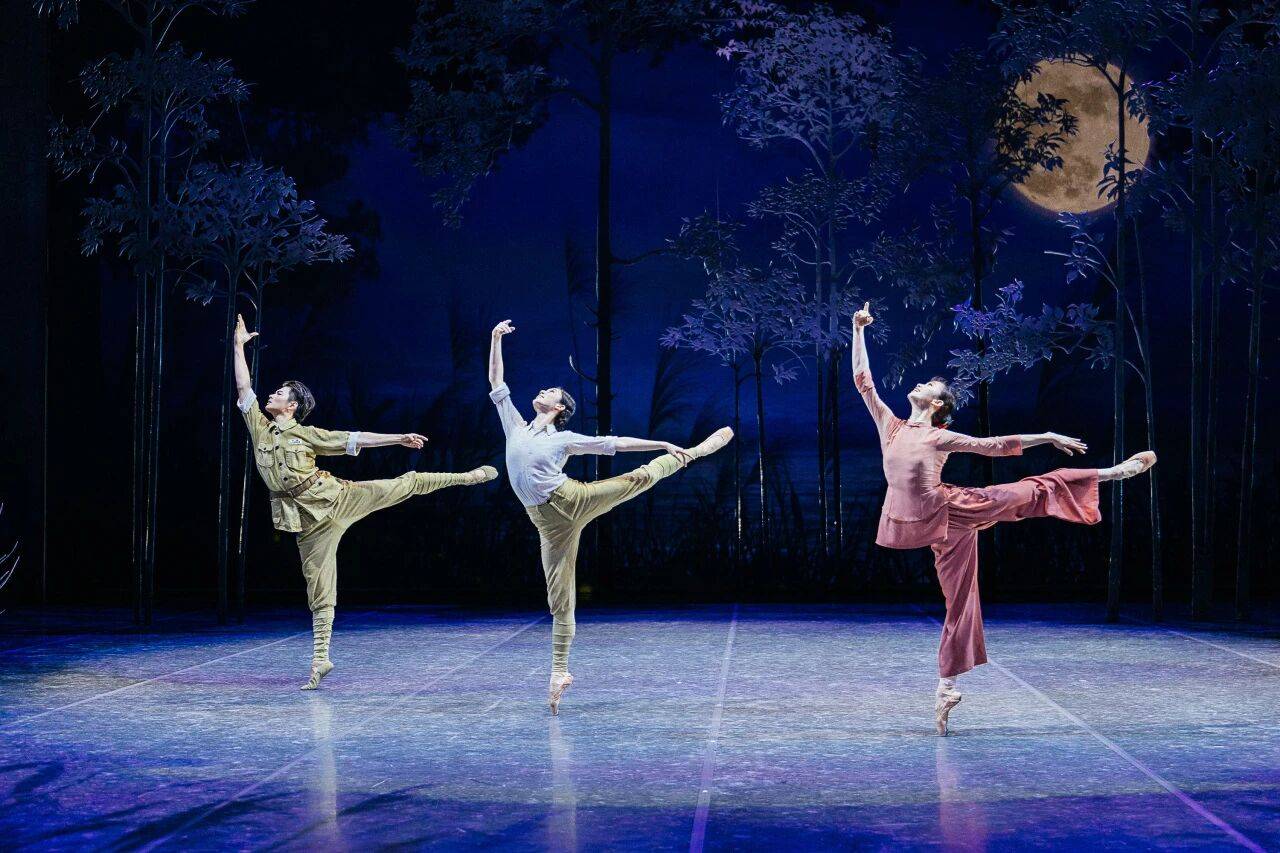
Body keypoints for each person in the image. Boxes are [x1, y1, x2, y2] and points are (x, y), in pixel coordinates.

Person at [850, 303, 1155, 735]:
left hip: (956, 508)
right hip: (926, 522)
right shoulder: (891, 426)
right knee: (959, 600)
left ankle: (1111, 474)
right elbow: (863, 380)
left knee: (1028, 492)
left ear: (936, 403)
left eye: (929, 384)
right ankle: (946, 688)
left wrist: (1046, 436)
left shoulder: (939, 436)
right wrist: (857, 329)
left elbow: (993, 445)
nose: (919, 383)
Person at [233, 315, 497, 690]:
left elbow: (354, 439)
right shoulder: (260, 427)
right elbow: (244, 388)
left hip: (338, 497)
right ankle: (320, 659)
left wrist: (398, 438)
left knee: (405, 483)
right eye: (273, 393)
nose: (271, 395)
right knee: (318, 586)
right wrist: (238, 346)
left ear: (291, 407)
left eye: (279, 393)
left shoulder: (308, 434)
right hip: (305, 521)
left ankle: (467, 477)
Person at [487, 319, 733, 714]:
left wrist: (661, 442)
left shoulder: (564, 439)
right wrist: (495, 338)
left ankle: (693, 452)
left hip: (573, 499)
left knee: (636, 479)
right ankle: (559, 672)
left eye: (550, 391)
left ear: (559, 408)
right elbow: (497, 383)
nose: (542, 391)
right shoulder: (515, 426)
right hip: (546, 523)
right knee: (559, 597)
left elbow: (614, 444)